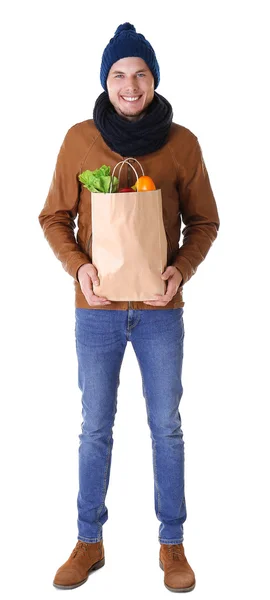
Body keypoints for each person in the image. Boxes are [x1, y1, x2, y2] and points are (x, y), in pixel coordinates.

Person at [38, 22, 220, 593]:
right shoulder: (79, 140)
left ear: (154, 78)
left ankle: (172, 545)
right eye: (119, 74)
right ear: (106, 82)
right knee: (95, 428)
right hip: (95, 312)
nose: (130, 84)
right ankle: (88, 541)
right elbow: (52, 218)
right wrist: (80, 268)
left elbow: (206, 222)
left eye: (140, 72)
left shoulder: (182, 143)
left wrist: (180, 269)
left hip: (161, 312)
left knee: (166, 429)